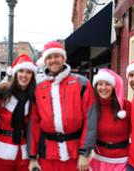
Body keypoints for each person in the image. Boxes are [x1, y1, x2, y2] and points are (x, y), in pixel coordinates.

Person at [27, 41, 97, 171]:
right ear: (45, 61)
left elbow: (90, 119)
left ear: (63, 58)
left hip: (75, 153)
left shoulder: (82, 83)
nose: (53, 60)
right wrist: (32, 157)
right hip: (47, 153)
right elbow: (34, 124)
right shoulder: (39, 88)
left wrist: (85, 153)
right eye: (49, 57)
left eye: (56, 56)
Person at [0, 54, 37, 171]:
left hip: (25, 151)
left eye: (28, 72)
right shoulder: (3, 93)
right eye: (21, 71)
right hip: (2, 149)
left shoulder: (35, 98)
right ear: (15, 73)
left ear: (32, 75)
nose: (24, 75)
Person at [90, 68, 131, 171]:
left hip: (122, 162)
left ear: (113, 87)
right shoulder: (92, 107)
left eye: (107, 84)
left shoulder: (126, 106)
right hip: (99, 161)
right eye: (100, 84)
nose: (103, 88)